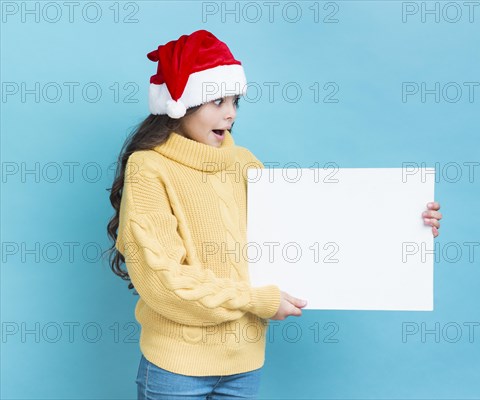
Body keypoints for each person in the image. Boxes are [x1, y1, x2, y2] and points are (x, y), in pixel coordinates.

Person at [105, 29, 442, 400]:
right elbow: (163, 282)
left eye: (234, 101)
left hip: (245, 366)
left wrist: (407, 224)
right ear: (179, 105)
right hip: (176, 369)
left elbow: (312, 234)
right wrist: (257, 301)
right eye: (216, 100)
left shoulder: (245, 164)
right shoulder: (149, 168)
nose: (230, 113)